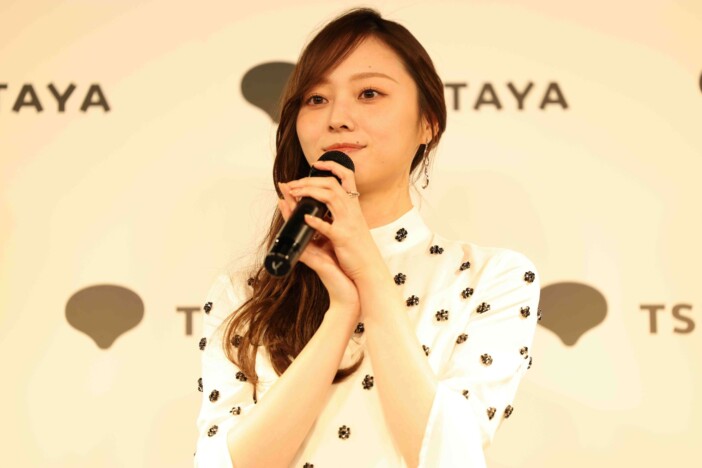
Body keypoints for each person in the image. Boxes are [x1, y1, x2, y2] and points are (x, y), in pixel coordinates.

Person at [194, 7, 540, 468]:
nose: (338, 117)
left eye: (369, 93)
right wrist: (342, 310)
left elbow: (449, 456)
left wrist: (369, 273)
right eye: (316, 99)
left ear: (428, 122)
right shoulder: (247, 293)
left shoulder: (493, 278)